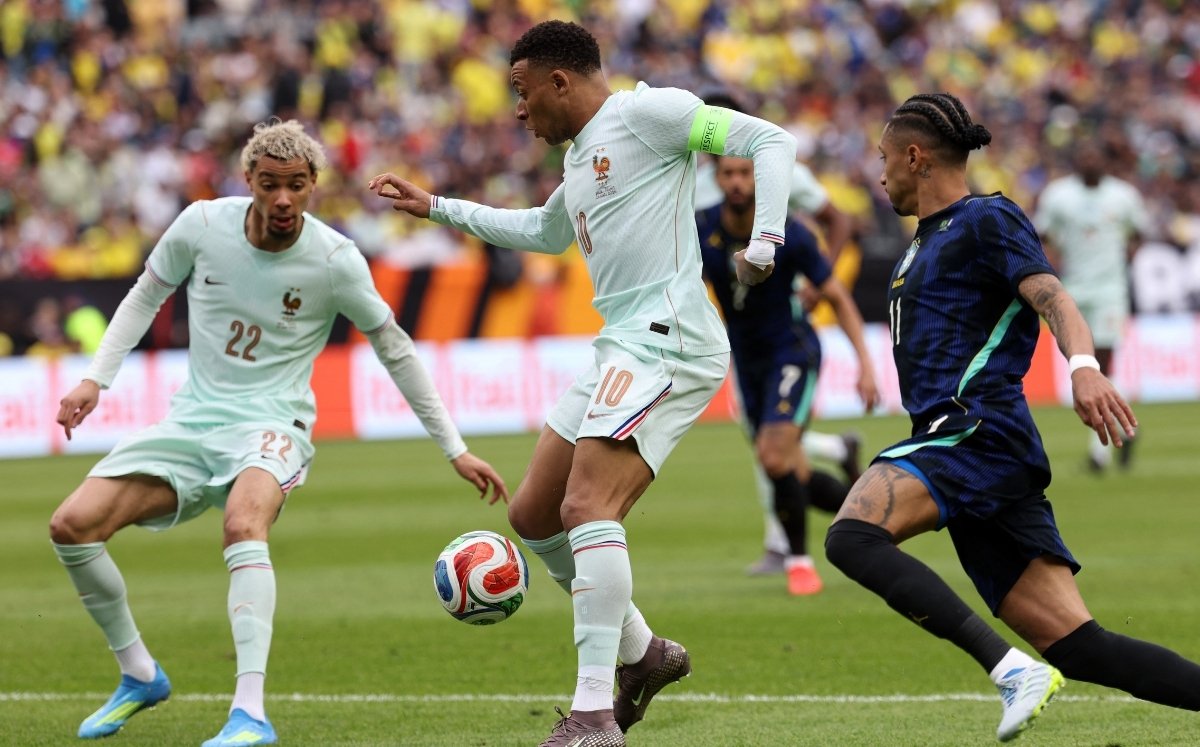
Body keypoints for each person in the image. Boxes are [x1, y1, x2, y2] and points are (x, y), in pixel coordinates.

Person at [370, 20, 796, 747]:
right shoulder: (578, 158)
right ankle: (643, 653)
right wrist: (436, 206)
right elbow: (543, 232)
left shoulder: (647, 114)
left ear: (559, 82)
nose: (517, 109)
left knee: (587, 503)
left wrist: (766, 238)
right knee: (534, 514)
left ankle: (596, 712)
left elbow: (771, 141)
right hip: (619, 344)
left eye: (522, 91)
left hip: (669, 337)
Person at [50, 119, 508, 747]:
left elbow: (395, 349)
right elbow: (144, 295)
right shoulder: (201, 227)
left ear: (314, 184)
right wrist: (94, 381)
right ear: (250, 183)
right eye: (271, 185)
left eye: (296, 185)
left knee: (243, 524)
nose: (284, 199)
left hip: (274, 424)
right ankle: (139, 674)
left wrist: (454, 447)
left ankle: (250, 713)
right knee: (71, 527)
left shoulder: (334, 259)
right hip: (193, 420)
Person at [824, 92, 1200, 742]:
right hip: (967, 449)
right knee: (1082, 646)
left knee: (851, 536)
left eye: (884, 158)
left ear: (916, 157)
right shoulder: (921, 242)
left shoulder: (987, 219)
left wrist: (1083, 367)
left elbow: (1052, 295)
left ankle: (1007, 668)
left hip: (975, 433)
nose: (877, 173)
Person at [696, 90, 863, 576]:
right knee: (769, 446)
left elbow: (837, 218)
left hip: (783, 331)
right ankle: (849, 477)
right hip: (738, 340)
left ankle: (785, 548)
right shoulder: (690, 179)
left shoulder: (775, 163)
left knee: (774, 446)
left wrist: (819, 278)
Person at [1033, 141, 1149, 472]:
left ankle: (1099, 453)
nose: (1089, 161)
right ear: (1076, 162)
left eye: (1095, 156)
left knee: (1102, 362)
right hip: (1072, 289)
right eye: (1084, 156)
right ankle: (1125, 430)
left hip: (1110, 289)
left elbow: (1137, 233)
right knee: (1084, 363)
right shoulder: (1059, 196)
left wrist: (1128, 256)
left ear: (1105, 162)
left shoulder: (1123, 196)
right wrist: (1050, 264)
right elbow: (1043, 234)